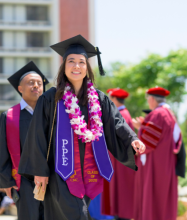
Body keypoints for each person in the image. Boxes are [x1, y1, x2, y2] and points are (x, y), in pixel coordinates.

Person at [18, 35, 145, 220]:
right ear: (64, 66)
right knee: (77, 214)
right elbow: (37, 135)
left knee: (78, 213)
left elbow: (116, 122)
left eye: (81, 62)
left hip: (90, 170)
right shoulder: (51, 98)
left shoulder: (99, 99)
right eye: (71, 61)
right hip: (60, 171)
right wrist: (39, 170)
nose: (76, 66)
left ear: (87, 67)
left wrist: (132, 138)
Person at [0, 61, 49, 220]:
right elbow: (1, 150)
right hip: (23, 180)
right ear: (20, 88)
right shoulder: (9, 116)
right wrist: (6, 181)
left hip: (51, 178)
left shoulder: (51, 114)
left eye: (39, 83)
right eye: (31, 83)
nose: (36, 86)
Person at [132, 86, 185, 220]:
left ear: (152, 99)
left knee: (153, 196)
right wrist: (144, 127)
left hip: (155, 163)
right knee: (162, 199)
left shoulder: (158, 113)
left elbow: (148, 142)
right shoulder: (169, 113)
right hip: (166, 162)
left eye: (148, 99)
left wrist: (139, 132)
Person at [100, 88, 135, 220]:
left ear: (114, 99)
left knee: (121, 199)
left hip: (119, 162)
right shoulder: (123, 114)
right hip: (118, 161)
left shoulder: (121, 115)